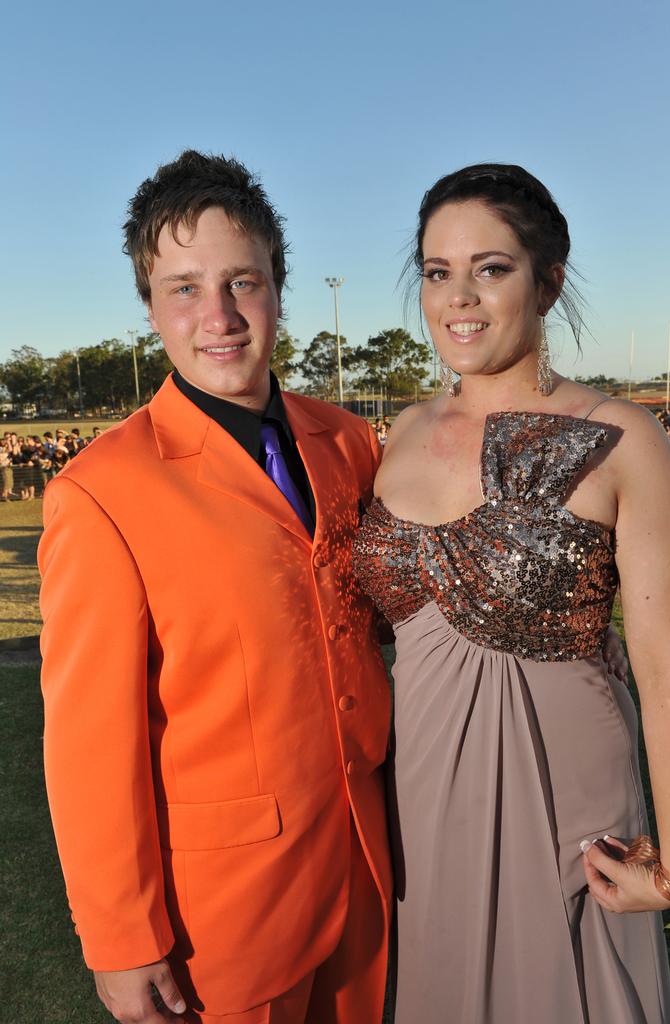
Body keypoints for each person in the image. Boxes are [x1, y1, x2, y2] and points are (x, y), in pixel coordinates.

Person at [38, 151, 393, 1024]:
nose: (221, 316)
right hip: (225, 916)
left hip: (372, 867)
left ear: (279, 288)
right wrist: (120, 937)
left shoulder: (350, 444)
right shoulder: (99, 490)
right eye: (186, 288)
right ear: (150, 306)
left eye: (244, 281)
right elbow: (89, 746)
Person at [353, 164, 670, 1023]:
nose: (457, 298)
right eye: (437, 272)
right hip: (424, 794)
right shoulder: (401, 433)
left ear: (548, 279)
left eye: (490, 267)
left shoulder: (624, 438)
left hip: (567, 798)